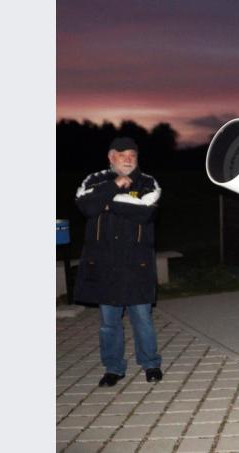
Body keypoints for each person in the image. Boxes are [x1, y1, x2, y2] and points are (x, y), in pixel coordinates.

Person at [74, 137, 164, 388]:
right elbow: (85, 206)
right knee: (108, 324)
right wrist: (114, 186)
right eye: (122, 154)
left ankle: (151, 364)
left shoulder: (148, 182)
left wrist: (106, 201)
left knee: (142, 320)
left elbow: (146, 210)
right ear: (110, 157)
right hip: (104, 265)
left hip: (137, 265)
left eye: (132, 155)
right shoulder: (94, 180)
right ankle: (113, 368)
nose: (127, 158)